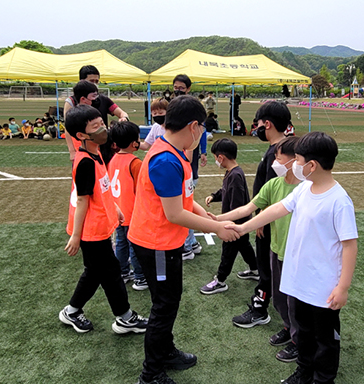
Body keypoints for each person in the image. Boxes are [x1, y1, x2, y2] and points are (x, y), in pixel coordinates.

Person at [227, 131, 358, 384]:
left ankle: (323, 378)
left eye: (297, 159)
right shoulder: (305, 189)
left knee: (325, 339)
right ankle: (304, 372)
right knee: (304, 333)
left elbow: (350, 245)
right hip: (299, 281)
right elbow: (278, 209)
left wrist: (343, 287)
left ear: (311, 165)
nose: (294, 165)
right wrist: (243, 227)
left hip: (324, 288)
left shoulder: (339, 201)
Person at [128, 95, 240, 384]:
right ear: (193, 126)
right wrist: (216, 229)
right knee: (163, 306)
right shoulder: (166, 159)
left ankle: (165, 352)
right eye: (202, 127)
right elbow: (175, 214)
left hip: (165, 243)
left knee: (168, 301)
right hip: (156, 244)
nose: (202, 133)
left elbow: (185, 199)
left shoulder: (175, 152)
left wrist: (207, 216)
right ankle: (151, 374)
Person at [59, 104, 148, 335]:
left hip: (98, 227)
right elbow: (82, 201)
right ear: (81, 135)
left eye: (102, 123)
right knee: (107, 272)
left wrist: (116, 208)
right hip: (91, 231)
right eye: (96, 127)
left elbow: (103, 189)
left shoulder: (96, 153)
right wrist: (76, 236)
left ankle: (74, 311)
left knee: (99, 272)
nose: (104, 129)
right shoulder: (86, 162)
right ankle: (123, 316)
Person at [213, 136, 301, 362]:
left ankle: (298, 342)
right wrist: (216, 219)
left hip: (297, 255)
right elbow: (247, 208)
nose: (274, 160)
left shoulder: (304, 190)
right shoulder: (273, 185)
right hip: (276, 249)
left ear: (295, 159)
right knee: (280, 299)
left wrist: (238, 228)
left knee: (295, 302)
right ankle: (288, 329)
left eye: (279, 156)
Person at [232, 101, 289, 328]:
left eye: (258, 125)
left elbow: (276, 191)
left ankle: (260, 308)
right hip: (269, 219)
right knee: (268, 266)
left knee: (266, 266)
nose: (256, 129)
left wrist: (262, 219)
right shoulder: (277, 150)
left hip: (271, 223)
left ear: (268, 124)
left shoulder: (279, 154)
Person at [200, 138, 257, 295]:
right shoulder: (231, 173)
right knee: (245, 247)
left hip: (235, 224)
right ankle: (255, 269)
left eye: (215, 158)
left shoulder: (235, 176)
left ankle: (220, 280)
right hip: (237, 222)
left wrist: (228, 223)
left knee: (228, 252)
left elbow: (238, 206)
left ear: (221, 157)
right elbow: (225, 191)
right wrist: (214, 196)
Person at [170, 74, 208, 261]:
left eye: (181, 87)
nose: (177, 90)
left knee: (184, 201)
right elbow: (176, 212)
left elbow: (182, 207)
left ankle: (188, 243)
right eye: (175, 87)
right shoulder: (167, 160)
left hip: (187, 168)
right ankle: (188, 243)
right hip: (160, 245)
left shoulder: (172, 157)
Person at [108, 120, 148, 291]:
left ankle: (123, 272)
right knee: (134, 246)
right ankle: (140, 277)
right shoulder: (135, 163)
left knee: (121, 242)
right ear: (134, 143)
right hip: (132, 213)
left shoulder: (113, 159)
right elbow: (142, 190)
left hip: (118, 211)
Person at [63, 65, 130, 162]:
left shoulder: (103, 99)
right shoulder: (72, 102)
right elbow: (67, 129)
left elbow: (122, 113)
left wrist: (124, 118)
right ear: (82, 81)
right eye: (91, 81)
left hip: (103, 145)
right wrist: (72, 151)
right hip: (84, 147)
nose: (95, 84)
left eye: (97, 81)